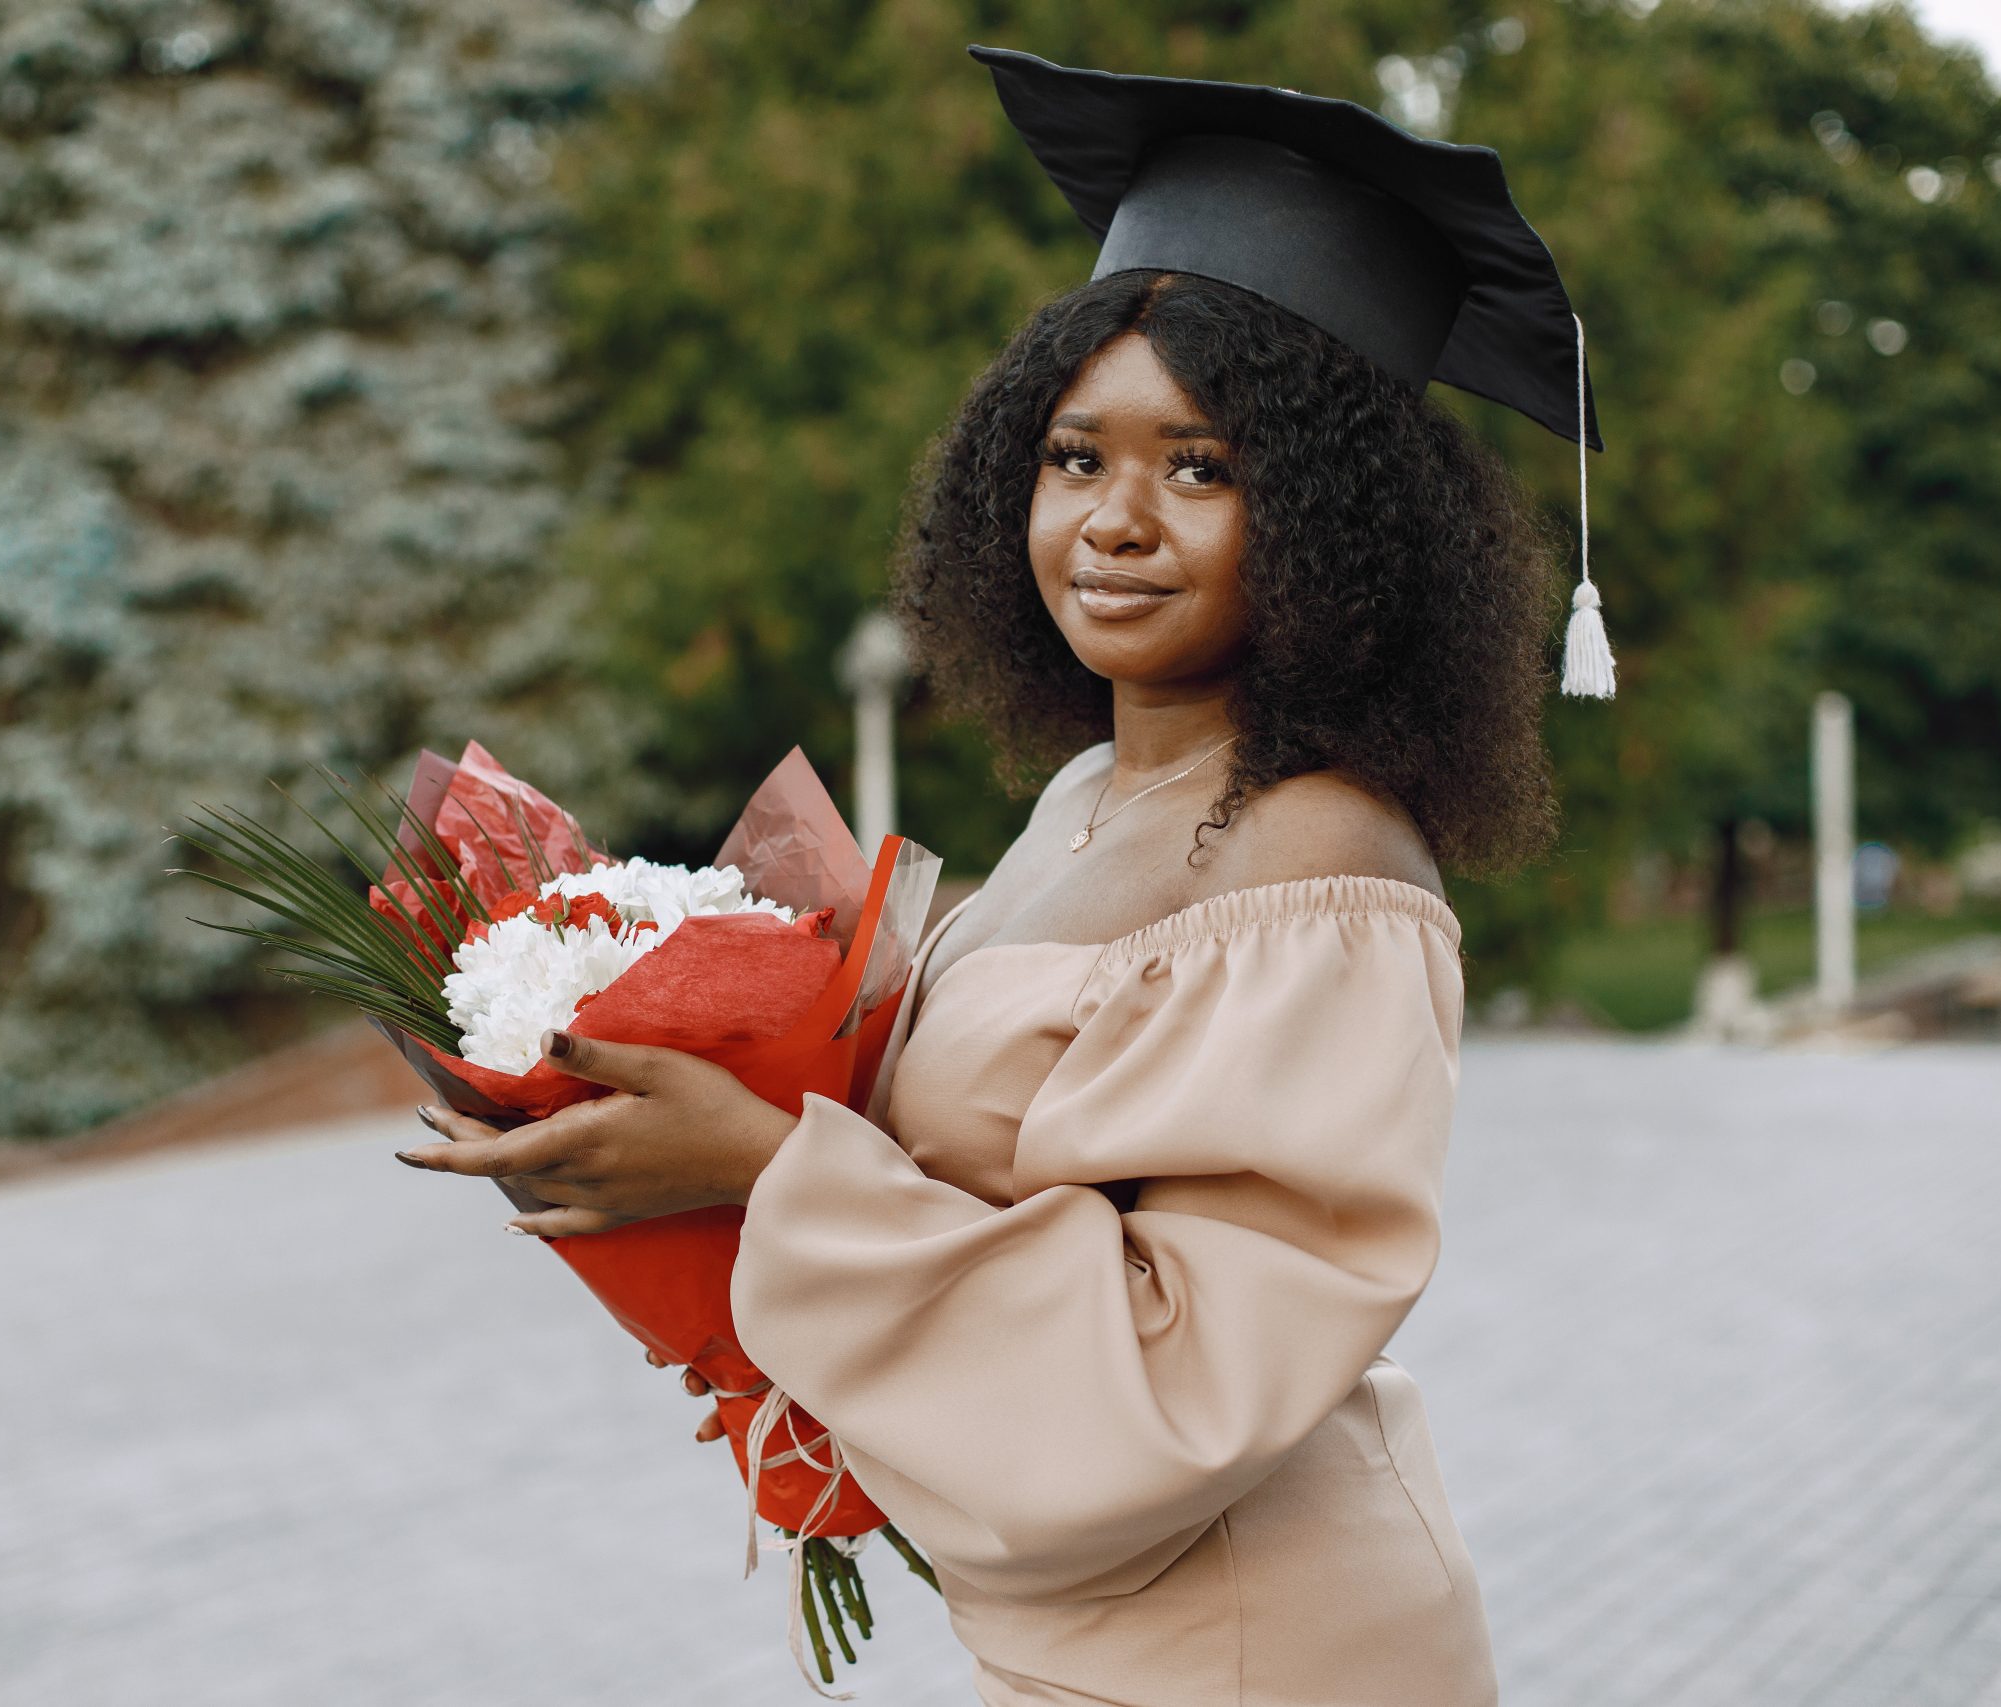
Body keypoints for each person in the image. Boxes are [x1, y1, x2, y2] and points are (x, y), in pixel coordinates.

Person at [398, 44, 1608, 1706]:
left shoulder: (1324, 868)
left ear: (1337, 523)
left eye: (1203, 466)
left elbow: (1180, 1381)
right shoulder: (1097, 796)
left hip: (1258, 1649)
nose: (1115, 520)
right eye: (1073, 455)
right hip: (1088, 1638)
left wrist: (760, 1168)